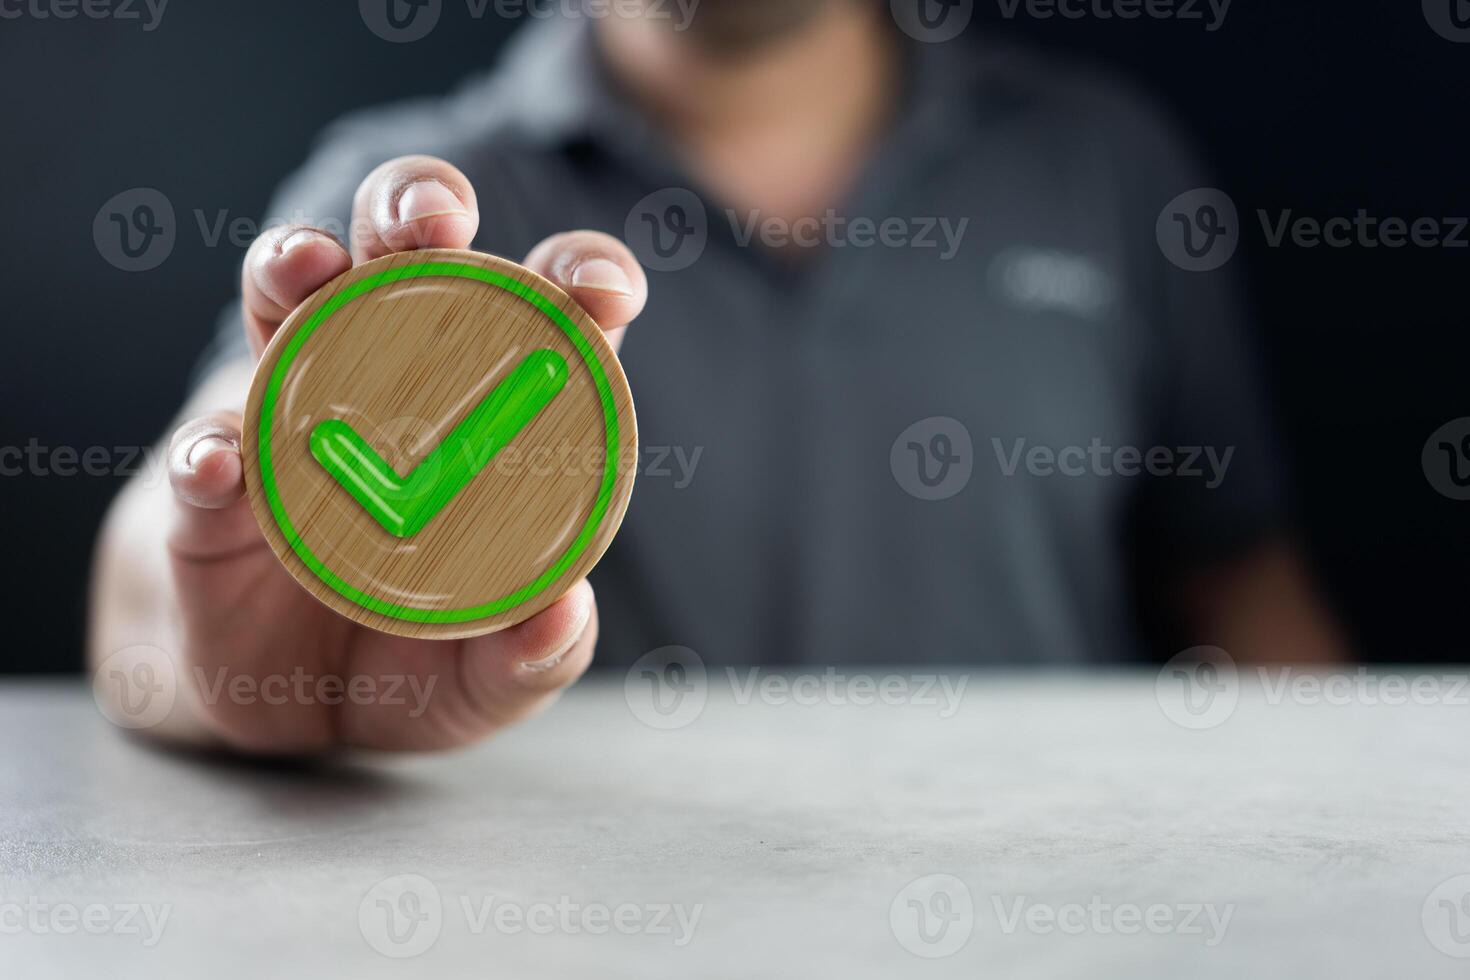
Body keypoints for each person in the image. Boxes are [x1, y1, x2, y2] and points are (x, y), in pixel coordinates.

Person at [89, 0, 1347, 753]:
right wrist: (242, 667)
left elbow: (1237, 572)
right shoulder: (409, 205)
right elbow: (169, 546)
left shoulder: (1101, 162)